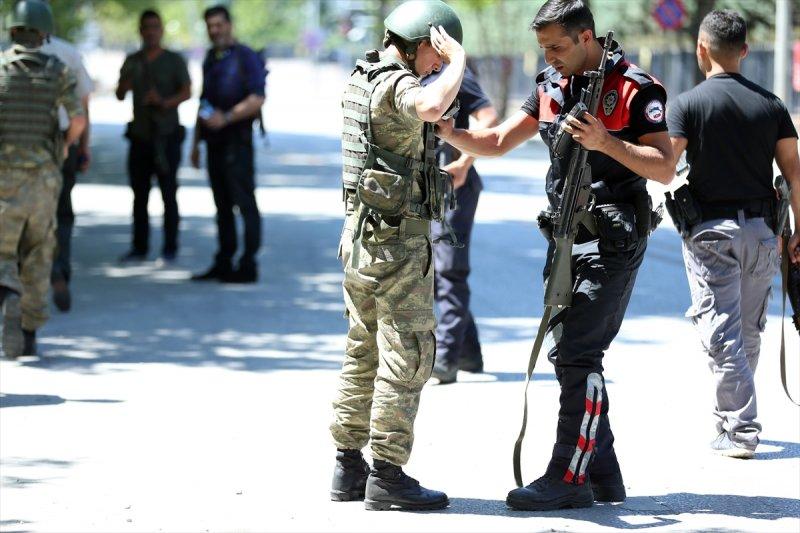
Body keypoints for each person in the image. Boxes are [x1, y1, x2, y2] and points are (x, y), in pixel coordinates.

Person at [436, 0, 674, 510]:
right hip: (566, 239)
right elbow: (499, 139)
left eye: (557, 46)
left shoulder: (635, 88)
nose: (549, 57)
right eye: (543, 47)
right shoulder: (550, 85)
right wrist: (453, 135)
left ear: (586, 37)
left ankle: (569, 476)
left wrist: (606, 142)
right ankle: (603, 475)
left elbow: (664, 167)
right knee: (570, 352)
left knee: (577, 354)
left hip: (612, 241)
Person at [328, 0, 467, 512]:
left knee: (361, 348)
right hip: (395, 246)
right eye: (436, 54)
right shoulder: (395, 83)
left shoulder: (362, 77)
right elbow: (429, 107)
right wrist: (459, 64)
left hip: (360, 239)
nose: (436, 65)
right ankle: (387, 472)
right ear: (423, 42)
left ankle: (347, 464)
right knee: (406, 353)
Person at [667, 10, 800, 459]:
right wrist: (798, 230)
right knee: (746, 332)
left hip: (711, 235)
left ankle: (741, 429)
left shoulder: (687, 105)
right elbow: (795, 176)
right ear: (744, 50)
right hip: (763, 233)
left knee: (723, 335)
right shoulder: (772, 106)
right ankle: (729, 421)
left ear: (701, 48)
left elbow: (666, 168)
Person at [0, 0, 85, 357]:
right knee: (38, 252)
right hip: (44, 180)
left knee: (2, 252)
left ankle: (7, 292)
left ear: (12, 29)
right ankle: (30, 330)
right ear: (44, 32)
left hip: (3, 179)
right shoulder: (58, 70)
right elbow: (77, 119)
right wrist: (62, 148)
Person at [423, 63, 498, 384]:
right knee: (438, 272)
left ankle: (447, 357)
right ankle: (469, 352)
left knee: (449, 270)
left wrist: (464, 163)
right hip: (432, 186)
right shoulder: (420, 75)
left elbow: (489, 118)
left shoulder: (457, 76)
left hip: (455, 186)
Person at [190, 4, 266, 284]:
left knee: (244, 204)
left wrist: (228, 117)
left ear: (229, 25)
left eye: (219, 25)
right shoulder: (211, 58)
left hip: (238, 142)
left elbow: (258, 97)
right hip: (213, 143)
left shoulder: (245, 57)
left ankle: (248, 264)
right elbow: (204, 101)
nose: (215, 30)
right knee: (221, 205)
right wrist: (195, 143)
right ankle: (224, 261)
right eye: (211, 26)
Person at [116, 10, 191, 263]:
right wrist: (126, 81)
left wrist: (164, 102)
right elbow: (119, 92)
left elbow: (187, 91)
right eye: (146, 27)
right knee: (139, 196)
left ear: (161, 30)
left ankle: (170, 247)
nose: (151, 32)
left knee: (169, 194)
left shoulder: (173, 60)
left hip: (167, 136)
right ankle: (140, 247)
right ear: (140, 30)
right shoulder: (133, 60)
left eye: (155, 27)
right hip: (140, 137)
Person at [41, 33, 93, 312]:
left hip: (17, 149)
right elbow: (82, 109)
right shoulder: (67, 54)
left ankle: (18, 288)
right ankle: (58, 271)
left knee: (20, 218)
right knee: (61, 212)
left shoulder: (6, 58)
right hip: (62, 142)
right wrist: (78, 146)